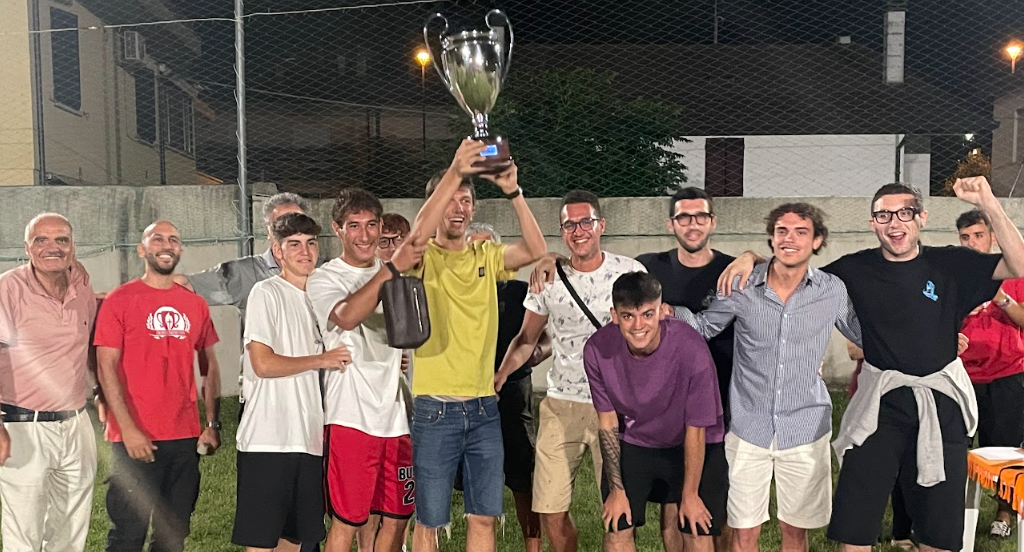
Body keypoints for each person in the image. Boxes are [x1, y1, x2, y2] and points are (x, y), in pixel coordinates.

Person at [720, 178, 1024, 552]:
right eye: (884, 215)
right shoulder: (854, 269)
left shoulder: (952, 263)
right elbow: (794, 271)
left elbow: (1018, 263)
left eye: (905, 213)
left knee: (940, 533)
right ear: (872, 223)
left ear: (922, 218)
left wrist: (988, 202)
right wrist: (751, 257)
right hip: (880, 405)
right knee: (854, 528)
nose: (894, 222)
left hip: (941, 405)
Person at [674, 203, 861, 552]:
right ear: (772, 239)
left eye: (801, 232)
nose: (790, 239)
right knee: (744, 533)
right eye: (782, 231)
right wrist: (665, 311)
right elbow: (703, 327)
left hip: (805, 427)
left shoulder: (831, 290)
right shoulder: (742, 286)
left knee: (795, 532)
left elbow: (866, 336)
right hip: (748, 427)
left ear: (817, 241)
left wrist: (931, 338)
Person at [404, 140, 547, 552]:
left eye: (465, 200)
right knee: (430, 521)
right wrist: (455, 171)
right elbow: (415, 237)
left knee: (484, 516)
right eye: (450, 199)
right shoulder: (421, 257)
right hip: (435, 409)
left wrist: (514, 191)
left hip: (484, 408)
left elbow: (536, 250)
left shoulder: (486, 253)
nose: (458, 208)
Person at [496, 190, 646, 552]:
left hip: (617, 407)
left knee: (619, 512)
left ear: (601, 225)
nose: (578, 231)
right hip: (561, 404)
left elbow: (651, 334)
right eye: (569, 225)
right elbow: (526, 339)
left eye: (585, 222)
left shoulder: (630, 272)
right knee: (549, 510)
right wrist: (499, 377)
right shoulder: (547, 278)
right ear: (562, 231)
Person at [307, 189, 424, 552]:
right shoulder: (325, 278)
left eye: (371, 224)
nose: (364, 234)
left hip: (396, 416)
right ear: (337, 229)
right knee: (348, 521)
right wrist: (390, 270)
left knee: (397, 518)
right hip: (351, 416)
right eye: (354, 225)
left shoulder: (397, 274)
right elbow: (346, 316)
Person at [95, 220, 222, 552]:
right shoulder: (120, 300)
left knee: (173, 536)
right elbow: (106, 366)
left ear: (180, 250)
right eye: (158, 239)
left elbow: (209, 365)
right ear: (142, 249)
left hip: (183, 437)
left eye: (173, 240)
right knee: (128, 535)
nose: (167, 245)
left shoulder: (195, 304)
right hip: (134, 437)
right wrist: (127, 429)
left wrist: (211, 424)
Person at [230, 212, 350, 552]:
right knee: (261, 542)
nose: (305, 251)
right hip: (268, 439)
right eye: (294, 244)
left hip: (308, 438)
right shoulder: (266, 292)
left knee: (294, 540)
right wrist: (321, 359)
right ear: (278, 251)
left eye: (311, 243)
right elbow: (263, 363)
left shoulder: (322, 298)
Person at [584, 271, 724, 552]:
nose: (638, 326)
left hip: (692, 440)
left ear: (661, 312)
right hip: (636, 438)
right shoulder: (597, 349)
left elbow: (696, 428)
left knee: (696, 526)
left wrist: (690, 495)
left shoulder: (691, 347)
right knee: (617, 525)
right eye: (628, 316)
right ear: (614, 315)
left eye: (647, 314)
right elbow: (607, 422)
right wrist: (617, 491)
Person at [635, 187, 735, 552]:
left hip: (722, 400)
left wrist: (752, 256)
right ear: (670, 224)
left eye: (700, 216)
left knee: (717, 508)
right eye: (684, 217)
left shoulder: (733, 269)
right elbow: (602, 269)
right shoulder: (648, 267)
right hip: (666, 405)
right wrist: (553, 259)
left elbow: (776, 269)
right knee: (672, 506)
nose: (692, 224)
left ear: (712, 222)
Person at [0, 213, 98, 552]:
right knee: (23, 535)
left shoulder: (80, 285)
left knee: (71, 532)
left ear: (73, 248)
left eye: (61, 240)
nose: (52, 247)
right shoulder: (7, 289)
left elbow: (89, 343)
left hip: (76, 424)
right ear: (27, 247)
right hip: (22, 426)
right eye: (41, 240)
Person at [466, 221, 547, 552]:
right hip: (467, 394)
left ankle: (533, 545)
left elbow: (544, 339)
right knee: (469, 481)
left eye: (487, 247)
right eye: (473, 247)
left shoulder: (519, 292)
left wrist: (535, 354)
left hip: (513, 391)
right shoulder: (454, 293)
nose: (480, 254)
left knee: (523, 478)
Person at [955, 209, 1024, 538]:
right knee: (955, 449)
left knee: (1005, 451)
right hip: (961, 376)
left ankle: (1004, 515)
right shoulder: (953, 276)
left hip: (1007, 374)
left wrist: (1001, 299)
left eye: (978, 236)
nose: (972, 243)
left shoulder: (1014, 272)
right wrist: (963, 310)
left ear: (993, 238)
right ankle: (953, 514)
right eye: (965, 237)